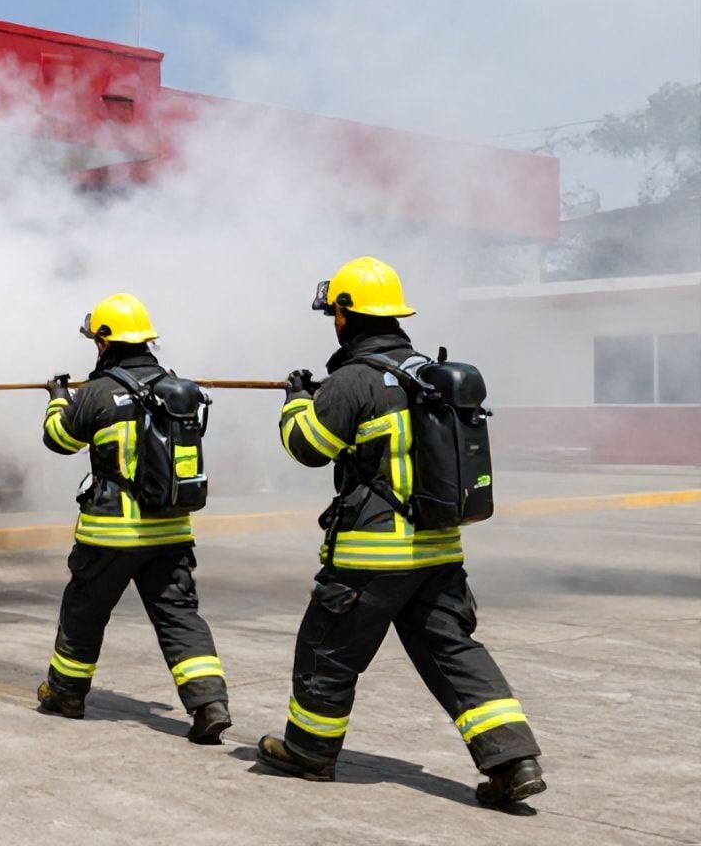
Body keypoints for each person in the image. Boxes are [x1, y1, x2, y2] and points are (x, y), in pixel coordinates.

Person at [255, 256, 545, 807]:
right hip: (438, 549)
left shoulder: (353, 379)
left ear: (345, 315)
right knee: (454, 652)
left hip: (372, 555)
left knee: (326, 649)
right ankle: (513, 760)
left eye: (334, 313)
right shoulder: (426, 374)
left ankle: (309, 752)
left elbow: (309, 448)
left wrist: (296, 401)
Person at [35, 293, 231, 744]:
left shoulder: (98, 393)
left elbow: (59, 439)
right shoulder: (175, 387)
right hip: (171, 530)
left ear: (104, 342)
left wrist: (58, 399)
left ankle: (66, 694)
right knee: (179, 616)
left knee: (84, 613)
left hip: (111, 532)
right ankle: (209, 704)